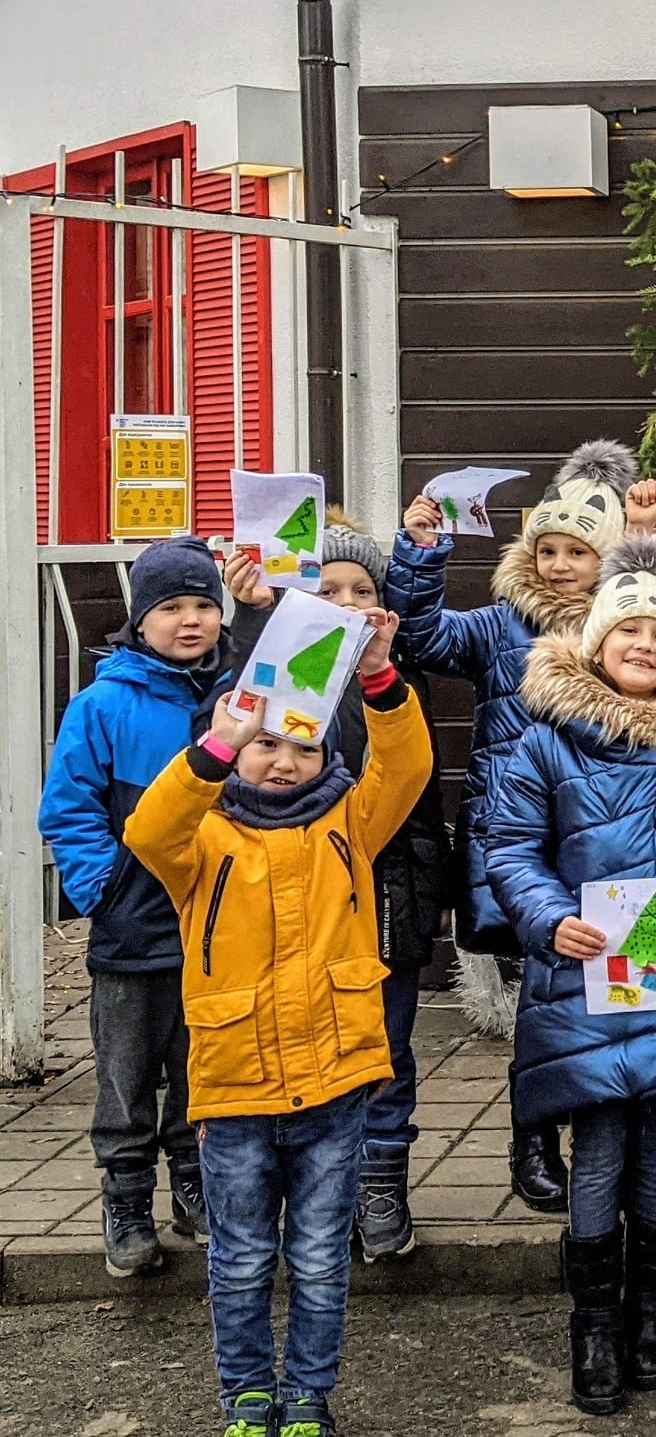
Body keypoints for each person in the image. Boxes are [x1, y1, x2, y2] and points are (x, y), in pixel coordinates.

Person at [124, 606, 432, 1437]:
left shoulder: (350, 822)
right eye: (265, 743)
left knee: (322, 1257)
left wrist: (379, 676)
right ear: (236, 747)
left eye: (304, 745)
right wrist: (213, 748)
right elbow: (148, 828)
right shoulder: (203, 838)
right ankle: (247, 1395)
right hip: (234, 1087)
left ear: (328, 752)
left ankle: (308, 1396)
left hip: (335, 1082)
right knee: (241, 1256)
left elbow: (407, 765)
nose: (286, 760)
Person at [487, 533, 656, 1414]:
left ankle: (654, 1307)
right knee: (599, 1148)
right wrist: (547, 917)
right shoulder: (544, 742)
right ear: (596, 641)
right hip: (582, 983)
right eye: (627, 630)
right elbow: (510, 846)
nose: (643, 644)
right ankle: (595, 1321)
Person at [387, 439, 656, 1213]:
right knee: (540, 1000)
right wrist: (420, 554)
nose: (560, 564)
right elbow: (420, 636)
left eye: (578, 550)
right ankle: (532, 1137)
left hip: (607, 840)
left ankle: (610, 1142)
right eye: (548, 548)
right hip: (522, 843)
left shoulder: (630, 628)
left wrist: (646, 540)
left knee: (614, 996)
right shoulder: (498, 624)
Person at [220, 515, 455, 1260]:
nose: (348, 604)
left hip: (389, 897)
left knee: (388, 1042)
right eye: (329, 591)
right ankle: (328, 1187)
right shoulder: (279, 673)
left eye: (362, 590)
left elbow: (417, 792)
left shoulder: (394, 680)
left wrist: (429, 892)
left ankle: (383, 1178)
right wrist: (254, 621)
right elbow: (233, 737)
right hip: (306, 896)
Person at [38, 535, 227, 1276]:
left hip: (213, 924)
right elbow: (69, 809)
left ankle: (193, 1182)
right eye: (171, 607)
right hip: (131, 925)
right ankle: (125, 1198)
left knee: (199, 1067)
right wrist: (105, 890)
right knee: (125, 1073)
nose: (190, 620)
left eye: (203, 604)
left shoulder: (235, 698)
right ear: (139, 619)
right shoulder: (103, 705)